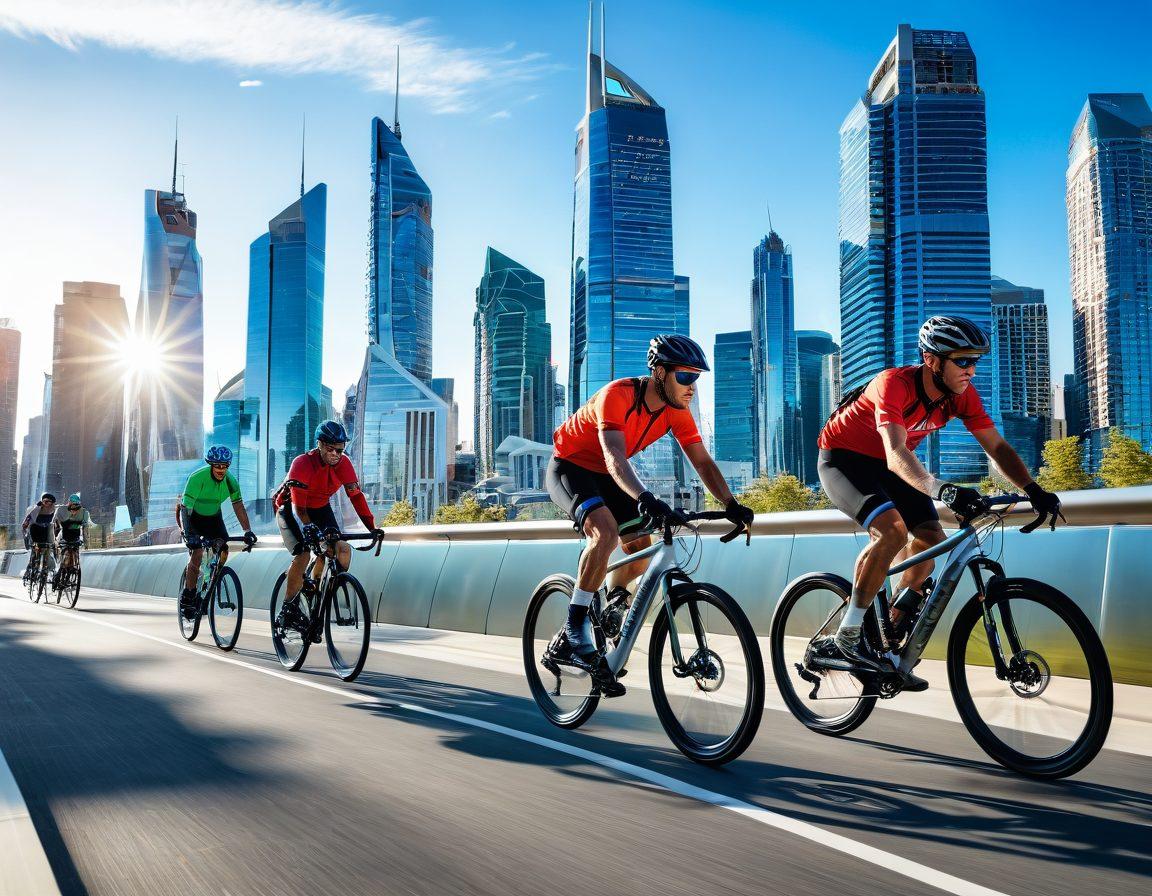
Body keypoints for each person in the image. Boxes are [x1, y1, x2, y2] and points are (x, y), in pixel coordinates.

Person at [816, 315, 1063, 688]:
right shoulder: (893, 384)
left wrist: (1033, 489)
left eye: (975, 360)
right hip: (844, 459)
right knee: (892, 531)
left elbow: (996, 447)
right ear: (933, 360)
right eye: (962, 361)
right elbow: (897, 450)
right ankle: (846, 639)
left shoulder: (961, 396)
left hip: (889, 467)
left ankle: (889, 629)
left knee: (931, 539)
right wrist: (941, 489)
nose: (971, 370)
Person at [544, 334, 756, 696]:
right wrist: (644, 497)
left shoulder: (677, 411)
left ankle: (614, 603)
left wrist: (731, 504)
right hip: (572, 467)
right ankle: (573, 624)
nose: (692, 386)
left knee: (641, 546)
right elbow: (614, 456)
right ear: (659, 372)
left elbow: (702, 462)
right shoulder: (618, 395)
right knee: (606, 534)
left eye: (697, 378)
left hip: (611, 475)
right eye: (685, 377)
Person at [274, 421, 384, 637]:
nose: (336, 454)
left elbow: (356, 497)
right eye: (330, 449)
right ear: (320, 445)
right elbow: (300, 510)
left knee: (341, 549)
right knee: (304, 553)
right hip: (292, 509)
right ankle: (287, 609)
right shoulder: (303, 463)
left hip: (320, 508)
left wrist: (372, 527)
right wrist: (309, 528)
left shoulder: (344, 464)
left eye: (340, 450)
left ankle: (318, 592)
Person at [178, 446, 257, 619]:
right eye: (217, 466)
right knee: (197, 553)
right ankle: (188, 595)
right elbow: (185, 508)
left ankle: (211, 581)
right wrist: (189, 534)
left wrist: (248, 530)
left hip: (214, 517)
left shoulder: (231, 481)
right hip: (193, 517)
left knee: (224, 549)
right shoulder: (197, 478)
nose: (221, 470)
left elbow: (238, 506)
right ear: (210, 464)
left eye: (224, 466)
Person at [52, 494, 93, 584]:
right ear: (68, 504)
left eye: (76, 506)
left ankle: (71, 567)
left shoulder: (84, 512)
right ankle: (61, 569)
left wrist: (86, 542)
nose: (74, 510)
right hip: (64, 535)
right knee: (64, 552)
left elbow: (85, 527)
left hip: (75, 535)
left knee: (74, 550)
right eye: (71, 505)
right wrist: (54, 539)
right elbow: (54, 523)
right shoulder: (62, 509)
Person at [22, 493, 59, 577]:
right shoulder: (35, 509)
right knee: (34, 549)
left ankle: (50, 568)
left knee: (48, 549)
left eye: (50, 502)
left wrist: (56, 539)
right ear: (42, 502)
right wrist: (25, 528)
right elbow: (27, 520)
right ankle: (30, 567)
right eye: (45, 502)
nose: (47, 504)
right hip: (35, 529)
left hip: (46, 530)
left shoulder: (54, 510)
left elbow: (57, 525)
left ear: (53, 503)